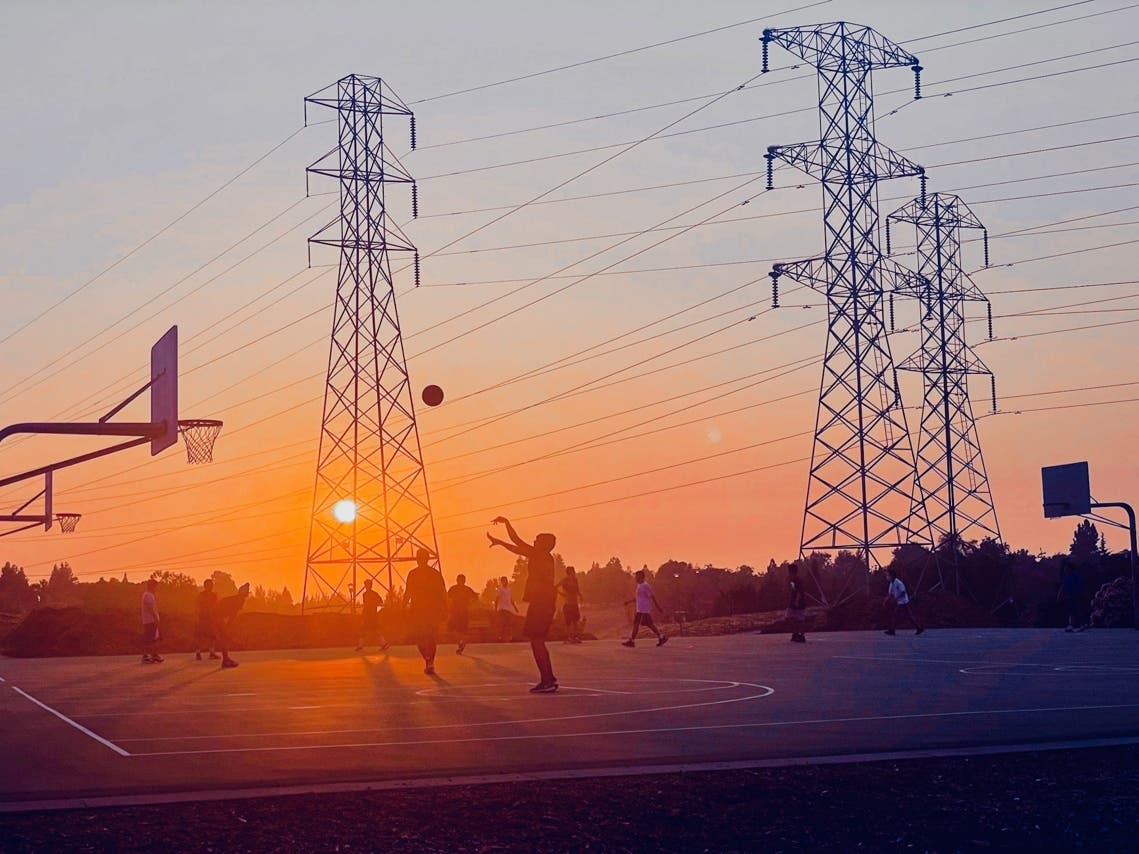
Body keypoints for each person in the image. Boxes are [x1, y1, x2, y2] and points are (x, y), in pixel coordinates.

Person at [488, 517, 558, 693]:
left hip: (542, 602)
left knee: (536, 640)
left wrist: (506, 523)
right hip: (544, 601)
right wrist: (501, 542)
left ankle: (547, 680)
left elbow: (516, 541)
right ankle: (548, 678)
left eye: (537, 540)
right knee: (538, 640)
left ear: (544, 544)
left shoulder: (540, 555)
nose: (534, 541)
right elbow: (517, 547)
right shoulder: (543, 556)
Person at [405, 548, 447, 675]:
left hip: (422, 611)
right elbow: (443, 593)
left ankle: (428, 661)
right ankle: (430, 661)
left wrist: (402, 607)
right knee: (429, 637)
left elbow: (407, 593)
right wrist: (445, 608)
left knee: (422, 637)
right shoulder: (434, 574)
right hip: (428, 610)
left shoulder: (414, 574)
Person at [621, 569, 668, 648]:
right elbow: (638, 598)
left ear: (641, 577)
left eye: (637, 577)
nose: (635, 578)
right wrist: (629, 602)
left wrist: (658, 607)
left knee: (640, 624)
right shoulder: (639, 586)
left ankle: (632, 641)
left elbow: (652, 596)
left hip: (644, 610)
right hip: (640, 609)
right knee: (648, 624)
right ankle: (661, 637)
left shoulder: (645, 586)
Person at [214, 582, 251, 668]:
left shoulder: (238, 599)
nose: (247, 592)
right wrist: (228, 626)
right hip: (218, 616)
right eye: (246, 590)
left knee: (224, 638)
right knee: (224, 638)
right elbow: (233, 614)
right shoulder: (239, 600)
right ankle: (225, 660)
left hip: (218, 616)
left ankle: (226, 659)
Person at [883, 568, 924, 636]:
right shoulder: (891, 584)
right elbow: (890, 594)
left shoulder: (898, 583)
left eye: (888, 575)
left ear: (892, 576)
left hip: (903, 602)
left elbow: (903, 592)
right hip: (900, 602)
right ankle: (919, 628)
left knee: (895, 615)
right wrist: (885, 600)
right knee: (908, 616)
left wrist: (896, 599)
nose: (887, 577)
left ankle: (892, 630)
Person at [356, 578, 390, 652]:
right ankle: (383, 644)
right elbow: (378, 602)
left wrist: (373, 607)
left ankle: (383, 644)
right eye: (366, 585)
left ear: (370, 585)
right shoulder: (368, 594)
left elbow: (378, 602)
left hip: (371, 615)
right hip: (370, 615)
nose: (366, 586)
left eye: (367, 585)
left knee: (372, 630)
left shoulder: (370, 594)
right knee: (366, 630)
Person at [447, 573, 479, 654]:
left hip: (457, 612)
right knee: (462, 630)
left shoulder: (454, 589)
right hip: (462, 611)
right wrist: (470, 604)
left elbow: (447, 598)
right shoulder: (466, 589)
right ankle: (461, 642)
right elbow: (476, 597)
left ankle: (460, 643)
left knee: (455, 629)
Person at [557, 565, 583, 644]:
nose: (574, 573)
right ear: (569, 572)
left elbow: (577, 589)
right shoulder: (565, 580)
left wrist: (580, 596)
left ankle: (575, 637)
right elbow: (556, 587)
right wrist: (562, 594)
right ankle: (568, 638)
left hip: (574, 603)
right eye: (572, 571)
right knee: (568, 622)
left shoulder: (575, 580)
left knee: (575, 621)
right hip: (568, 604)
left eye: (574, 571)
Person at [195, 579, 220, 661]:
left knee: (212, 635)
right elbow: (198, 606)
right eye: (209, 585)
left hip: (210, 617)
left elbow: (216, 606)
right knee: (202, 635)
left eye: (211, 585)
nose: (211, 587)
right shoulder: (202, 595)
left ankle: (211, 652)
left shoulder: (213, 595)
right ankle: (198, 652)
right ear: (205, 586)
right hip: (204, 617)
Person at [141, 578, 164, 664]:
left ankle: (153, 655)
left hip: (150, 620)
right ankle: (149, 655)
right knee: (151, 639)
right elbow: (150, 608)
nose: (156, 588)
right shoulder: (148, 595)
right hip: (150, 620)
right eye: (155, 586)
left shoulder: (148, 595)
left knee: (152, 638)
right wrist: (155, 617)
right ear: (152, 586)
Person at [1058, 562, 1086, 632]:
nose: (1065, 570)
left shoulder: (1077, 577)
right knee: (1071, 611)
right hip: (1069, 596)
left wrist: (1081, 594)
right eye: (1065, 568)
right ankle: (1071, 625)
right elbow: (1063, 586)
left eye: (1067, 568)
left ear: (1071, 569)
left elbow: (1081, 586)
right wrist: (1060, 595)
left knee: (1078, 611)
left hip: (1076, 596)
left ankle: (1082, 624)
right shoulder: (1066, 577)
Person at [786, 563, 807, 643]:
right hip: (794, 602)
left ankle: (800, 635)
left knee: (798, 619)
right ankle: (796, 633)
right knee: (793, 618)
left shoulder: (796, 580)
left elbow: (798, 591)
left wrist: (796, 601)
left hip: (798, 602)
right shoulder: (793, 580)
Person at [494, 576, 519, 642]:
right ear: (502, 582)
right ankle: (501, 636)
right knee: (503, 623)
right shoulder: (500, 589)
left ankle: (508, 636)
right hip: (502, 608)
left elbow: (511, 599)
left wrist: (515, 608)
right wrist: (495, 608)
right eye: (503, 581)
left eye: (506, 580)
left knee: (509, 623)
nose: (505, 582)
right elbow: (497, 599)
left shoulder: (509, 589)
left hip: (509, 609)